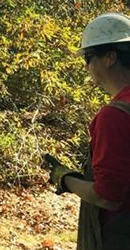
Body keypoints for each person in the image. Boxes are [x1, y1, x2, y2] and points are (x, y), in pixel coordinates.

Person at [45, 13, 130, 250]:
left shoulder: (114, 115)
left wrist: (64, 178)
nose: (87, 66)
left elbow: (108, 198)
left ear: (110, 57)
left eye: (89, 57)